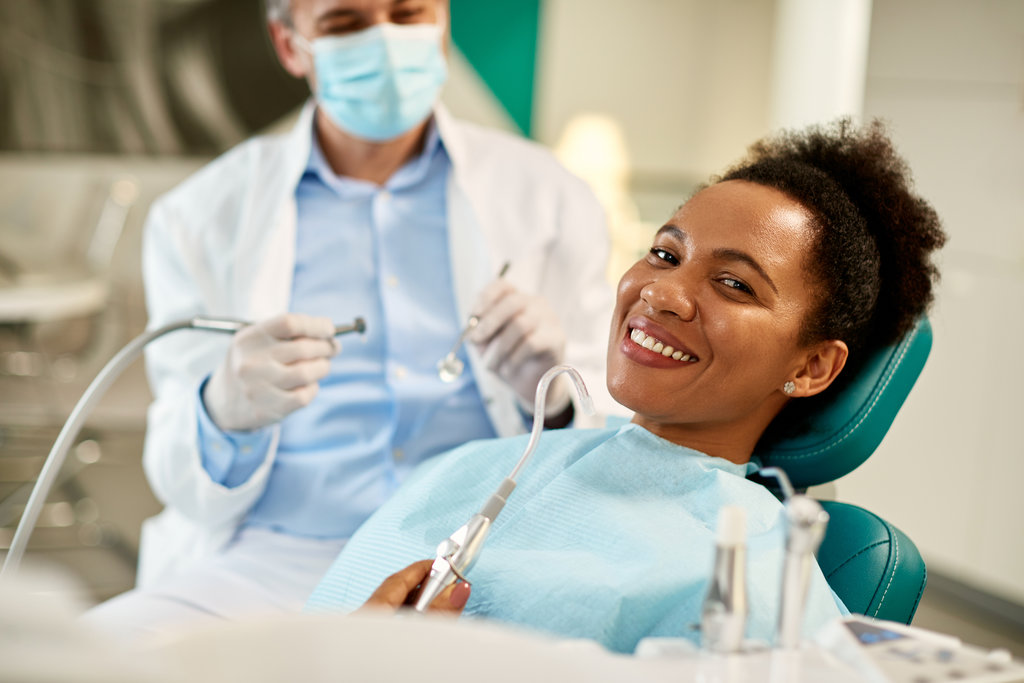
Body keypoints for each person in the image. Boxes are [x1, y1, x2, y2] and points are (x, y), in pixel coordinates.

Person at [304, 119, 947, 653]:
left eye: (735, 284)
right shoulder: (484, 465)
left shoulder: (753, 583)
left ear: (810, 368)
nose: (662, 293)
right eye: (665, 254)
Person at [85, 0, 615, 639]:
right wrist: (222, 408)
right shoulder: (198, 217)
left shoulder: (552, 198)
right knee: (82, 659)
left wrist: (552, 394)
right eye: (345, 24)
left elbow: (610, 438)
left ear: (443, 20)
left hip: (472, 561)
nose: (386, 42)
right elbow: (175, 472)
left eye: (408, 13)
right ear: (289, 45)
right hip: (274, 565)